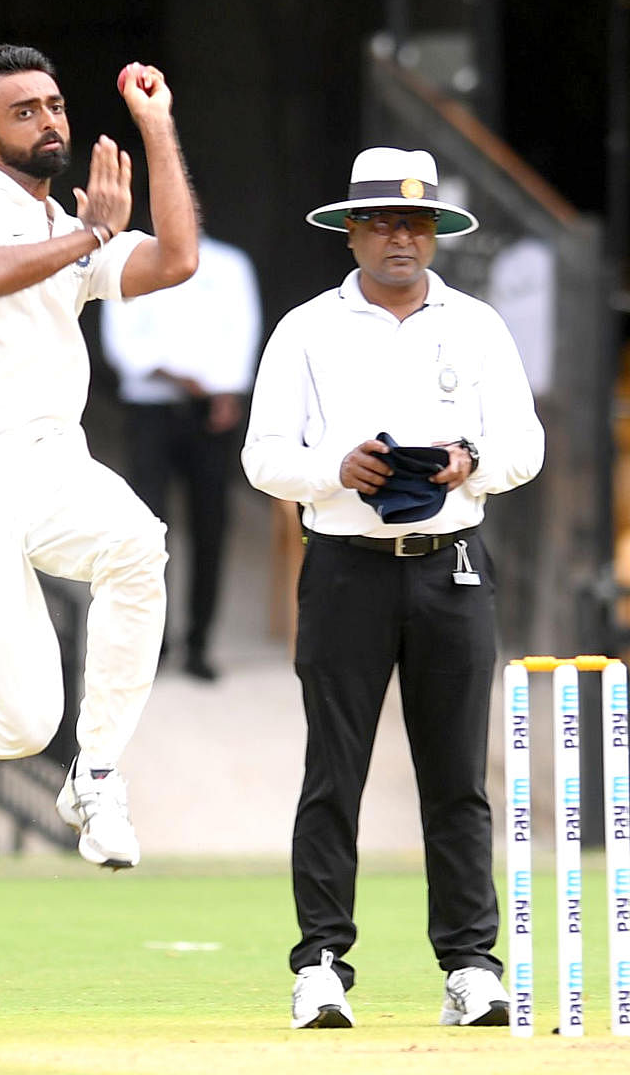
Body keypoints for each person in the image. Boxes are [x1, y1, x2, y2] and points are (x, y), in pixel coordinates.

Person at [241, 147, 544, 1028]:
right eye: (381, 221)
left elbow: (523, 445)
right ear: (350, 232)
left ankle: (470, 965)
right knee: (334, 771)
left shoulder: (478, 325)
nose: (400, 237)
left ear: (438, 233)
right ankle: (322, 963)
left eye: (416, 222)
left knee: (456, 776)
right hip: (344, 567)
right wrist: (337, 469)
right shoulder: (306, 328)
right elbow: (264, 458)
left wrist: (468, 462)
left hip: (450, 562)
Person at [0, 44, 198, 869]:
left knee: (138, 546)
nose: (49, 120)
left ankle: (95, 776)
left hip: (48, 463)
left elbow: (176, 259)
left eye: (54, 105)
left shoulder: (72, 233)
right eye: (24, 111)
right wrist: (94, 234)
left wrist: (157, 128)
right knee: (24, 724)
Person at [99, 229, 262, 680]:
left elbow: (243, 333)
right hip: (149, 408)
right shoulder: (132, 260)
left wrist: (226, 391)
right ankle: (153, 644)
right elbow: (121, 342)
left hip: (211, 410)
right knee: (147, 531)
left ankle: (198, 643)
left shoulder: (229, 264)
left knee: (211, 524)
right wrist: (175, 374)